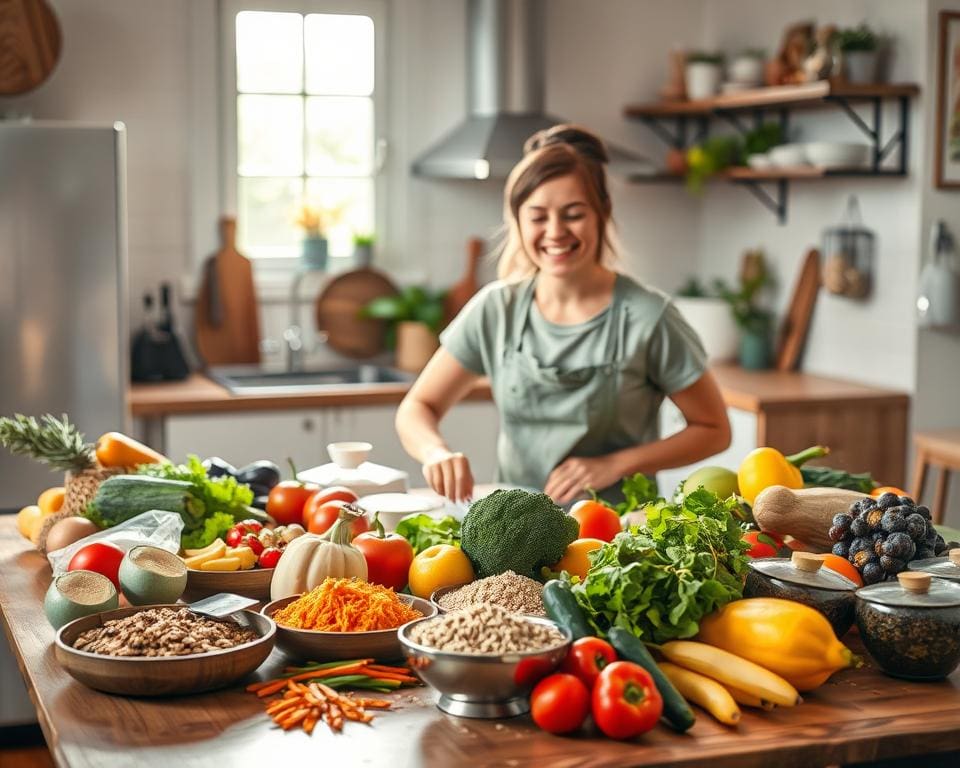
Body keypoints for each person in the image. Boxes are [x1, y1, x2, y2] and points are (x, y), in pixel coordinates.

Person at [395, 125, 731, 505]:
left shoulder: (649, 317)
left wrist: (616, 463)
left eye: (573, 214)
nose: (555, 232)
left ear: (601, 213)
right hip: (511, 537)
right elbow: (417, 407)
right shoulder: (496, 310)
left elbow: (714, 428)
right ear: (517, 221)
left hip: (617, 538)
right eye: (538, 217)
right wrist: (435, 452)